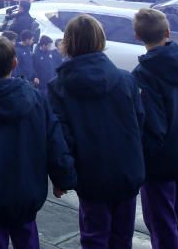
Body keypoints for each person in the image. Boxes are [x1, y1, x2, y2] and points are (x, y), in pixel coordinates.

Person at [0, 36, 76, 249]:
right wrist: (63, 178)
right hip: (27, 194)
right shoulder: (36, 99)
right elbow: (54, 140)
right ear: (15, 63)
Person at [48, 15, 144, 248]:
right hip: (127, 170)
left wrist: (62, 177)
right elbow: (139, 121)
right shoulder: (125, 79)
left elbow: (60, 138)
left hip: (90, 174)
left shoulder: (59, 86)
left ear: (68, 42)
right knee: (123, 237)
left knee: (94, 236)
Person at [132, 7, 178, 249]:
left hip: (161, 161)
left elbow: (151, 126)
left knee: (162, 221)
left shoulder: (144, 74)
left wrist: (144, 161)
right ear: (167, 31)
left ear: (137, 36)